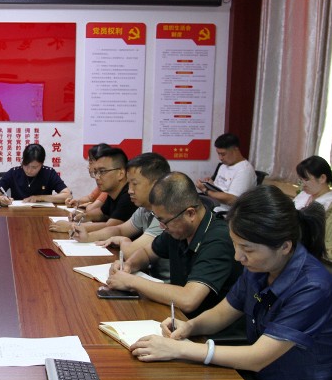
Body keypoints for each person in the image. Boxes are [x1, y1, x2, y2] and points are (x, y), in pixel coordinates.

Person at [130, 185, 332, 380]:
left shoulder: (312, 286)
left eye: (247, 249)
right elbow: (224, 312)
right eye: (236, 245)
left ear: (285, 246)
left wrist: (179, 349)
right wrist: (189, 327)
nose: (238, 257)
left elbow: (258, 358)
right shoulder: (262, 268)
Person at [107, 172, 241, 317]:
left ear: (190, 213)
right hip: (178, 317)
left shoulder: (218, 240)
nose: (162, 227)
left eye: (164, 221)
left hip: (205, 327)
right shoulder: (178, 228)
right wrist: (129, 265)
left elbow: (188, 299)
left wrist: (131, 281)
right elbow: (146, 253)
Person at [71, 152, 171, 280]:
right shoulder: (144, 209)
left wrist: (123, 240)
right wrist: (88, 237)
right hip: (149, 277)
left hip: (165, 285)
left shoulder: (166, 213)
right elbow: (120, 229)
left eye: (135, 184)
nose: (130, 190)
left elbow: (131, 252)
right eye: (129, 184)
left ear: (157, 185)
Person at [50, 147, 135, 233]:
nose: (97, 177)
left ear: (121, 173)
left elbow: (111, 227)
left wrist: (71, 226)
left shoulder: (129, 195)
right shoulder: (113, 192)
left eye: (102, 171)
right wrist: (83, 216)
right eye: (96, 172)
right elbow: (102, 213)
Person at [0, 144, 71, 205]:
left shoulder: (49, 173)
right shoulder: (14, 173)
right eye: (26, 165)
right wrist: (1, 199)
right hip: (17, 215)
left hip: (43, 215)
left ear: (42, 164)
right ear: (22, 161)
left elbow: (67, 195)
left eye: (34, 167)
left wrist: (40, 198)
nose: (29, 170)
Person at [196, 132, 257, 214]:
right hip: (214, 205)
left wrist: (206, 191)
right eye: (218, 154)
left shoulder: (244, 170)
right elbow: (220, 189)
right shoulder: (223, 166)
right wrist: (210, 184)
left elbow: (232, 200)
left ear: (235, 149)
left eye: (223, 154)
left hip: (226, 212)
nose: (220, 158)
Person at [64, 143, 110, 213]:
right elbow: (90, 198)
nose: (88, 167)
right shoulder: (102, 180)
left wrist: (89, 204)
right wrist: (77, 202)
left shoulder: (109, 183)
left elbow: (92, 208)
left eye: (91, 162)